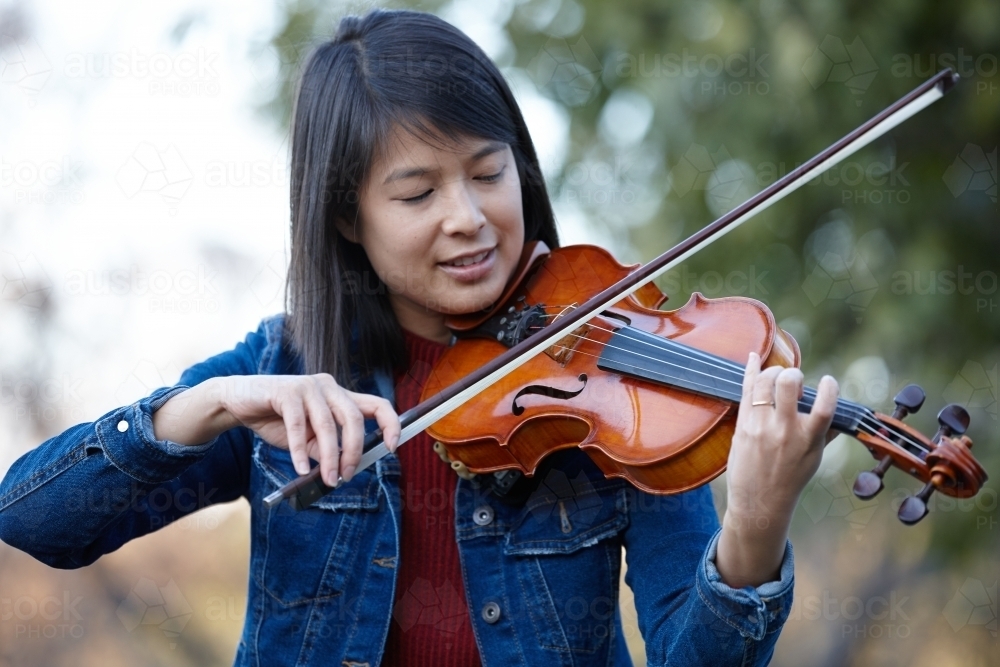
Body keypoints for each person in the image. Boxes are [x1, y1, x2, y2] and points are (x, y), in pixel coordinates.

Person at [0, 8, 839, 667]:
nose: (468, 218)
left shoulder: (621, 393)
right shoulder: (283, 371)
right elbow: (36, 520)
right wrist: (211, 403)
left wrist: (755, 529)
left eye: (487, 172)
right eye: (415, 193)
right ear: (346, 215)